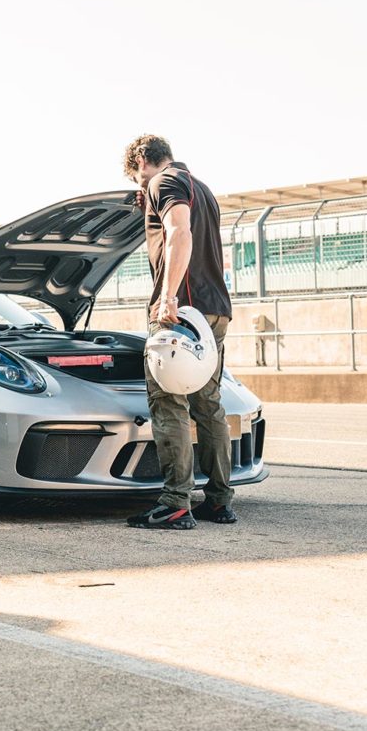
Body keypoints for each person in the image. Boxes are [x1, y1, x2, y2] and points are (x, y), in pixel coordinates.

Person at [121, 134, 234, 530]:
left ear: (141, 161)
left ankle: (175, 503)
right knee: (208, 405)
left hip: (181, 313)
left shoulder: (162, 182)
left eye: (138, 180)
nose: (141, 188)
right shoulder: (199, 187)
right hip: (215, 311)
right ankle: (219, 502)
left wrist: (167, 296)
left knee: (168, 404)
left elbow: (179, 232)